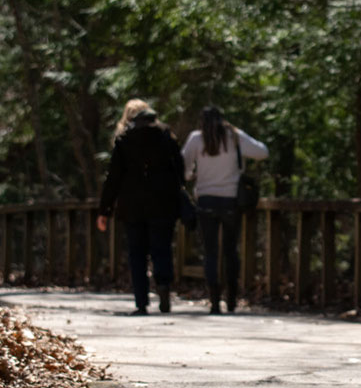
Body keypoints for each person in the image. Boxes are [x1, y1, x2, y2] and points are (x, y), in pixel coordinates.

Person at [97, 99, 184, 315]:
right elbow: (179, 168)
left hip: (132, 206)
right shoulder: (165, 136)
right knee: (162, 248)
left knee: (137, 253)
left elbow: (114, 177)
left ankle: (141, 302)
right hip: (163, 204)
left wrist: (105, 209)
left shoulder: (125, 139)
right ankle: (163, 286)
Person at [182, 106, 268, 314]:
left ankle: (213, 301)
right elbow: (262, 152)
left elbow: (182, 165)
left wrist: (190, 175)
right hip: (231, 201)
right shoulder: (234, 136)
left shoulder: (196, 138)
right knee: (230, 250)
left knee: (210, 252)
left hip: (206, 201)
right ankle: (231, 299)